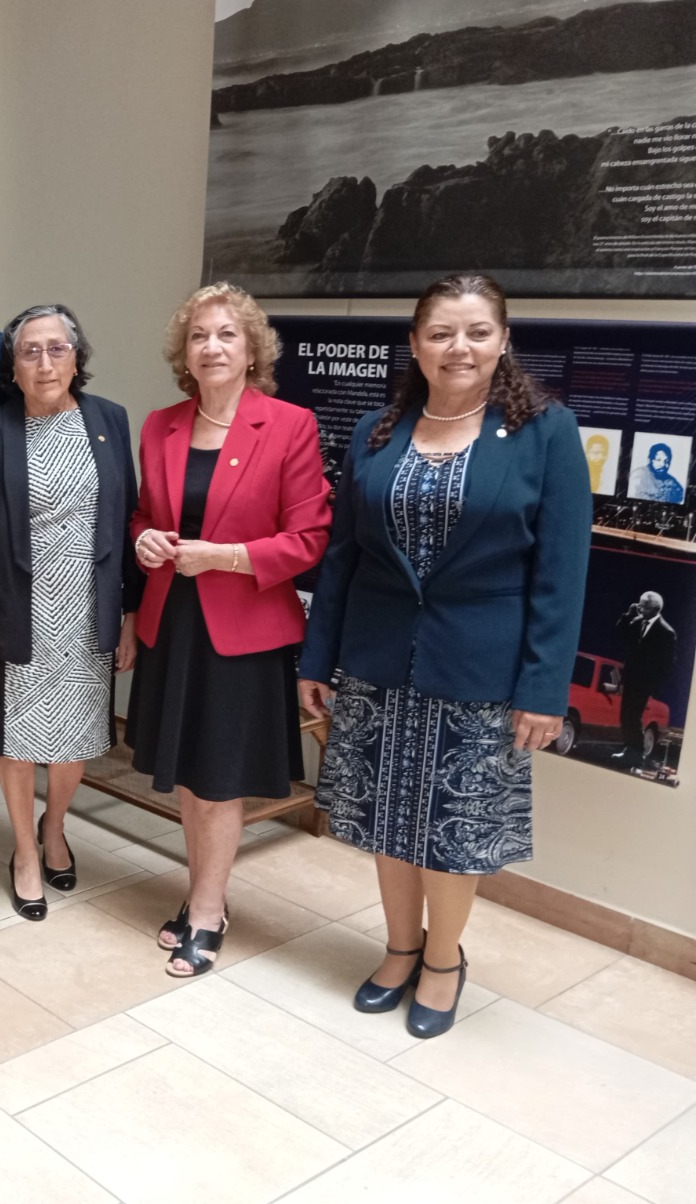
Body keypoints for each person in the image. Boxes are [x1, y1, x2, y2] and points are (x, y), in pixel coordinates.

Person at [299, 273, 591, 1039]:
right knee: (385, 819)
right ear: (415, 345)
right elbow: (342, 559)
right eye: (440, 333)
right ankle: (398, 949)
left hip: (483, 670)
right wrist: (316, 660)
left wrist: (544, 688)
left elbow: (561, 575)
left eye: (476, 332)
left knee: (454, 826)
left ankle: (442, 962)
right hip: (377, 660)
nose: (458, 347)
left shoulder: (546, 433)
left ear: (504, 340)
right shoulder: (377, 431)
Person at [130, 283, 332, 977]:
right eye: (199, 336)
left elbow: (309, 539)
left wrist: (223, 558)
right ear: (183, 352)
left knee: (219, 782)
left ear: (252, 351)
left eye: (226, 335)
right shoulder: (159, 425)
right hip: (173, 624)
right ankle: (200, 894)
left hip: (243, 631)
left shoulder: (288, 425)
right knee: (189, 778)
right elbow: (141, 517)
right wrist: (147, 541)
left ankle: (210, 913)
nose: (211, 347)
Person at [0, 305, 140, 919]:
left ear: (77, 356)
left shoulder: (109, 421)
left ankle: (54, 827)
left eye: (57, 349)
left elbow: (127, 520)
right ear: (13, 364)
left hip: (89, 612)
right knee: (18, 744)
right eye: (30, 351)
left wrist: (130, 617)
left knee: (76, 740)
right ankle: (24, 853)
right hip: (19, 613)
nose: (44, 362)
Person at [612, 591, 677, 768]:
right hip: (630, 679)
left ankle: (636, 754)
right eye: (639, 604)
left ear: (654, 608)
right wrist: (628, 614)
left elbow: (667, 664)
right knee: (626, 715)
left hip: (644, 683)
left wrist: (652, 684)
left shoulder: (666, 632)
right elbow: (618, 633)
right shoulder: (637, 621)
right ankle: (629, 750)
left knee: (633, 715)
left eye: (643, 605)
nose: (639, 607)